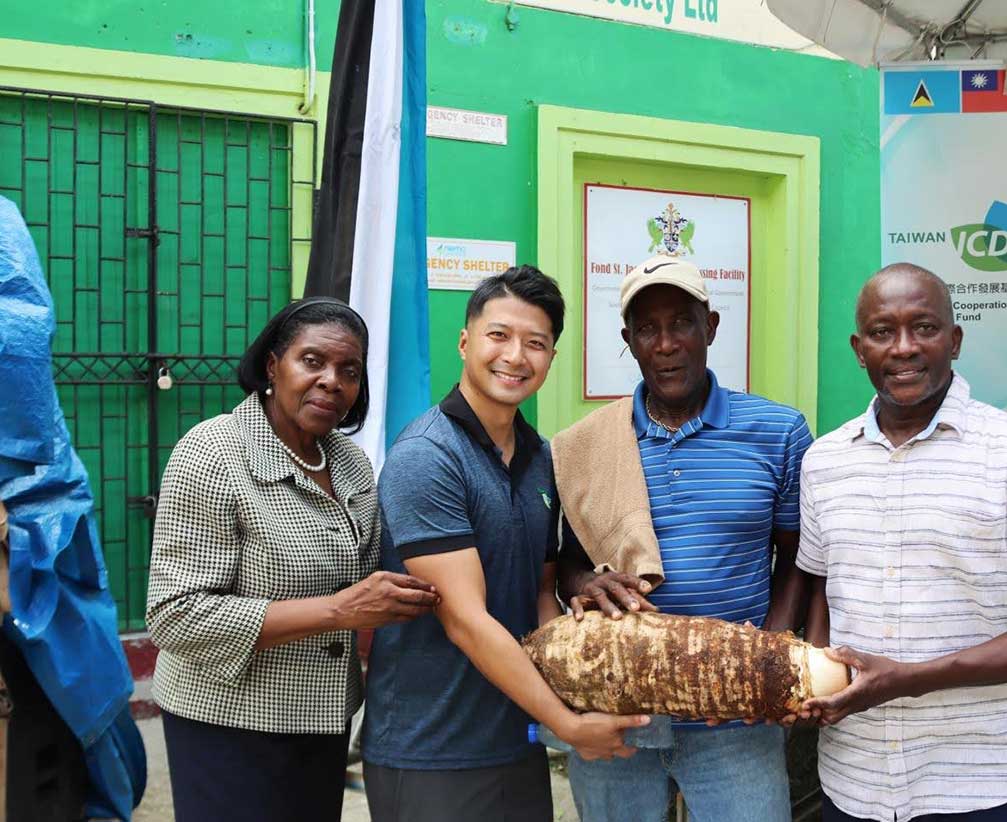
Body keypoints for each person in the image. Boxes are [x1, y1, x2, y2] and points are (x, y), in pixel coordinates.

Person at [795, 263, 1007, 822]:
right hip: (854, 780)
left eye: (924, 327)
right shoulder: (824, 461)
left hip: (978, 785)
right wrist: (811, 675)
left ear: (954, 341)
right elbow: (822, 589)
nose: (904, 347)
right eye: (883, 332)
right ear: (859, 350)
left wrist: (909, 681)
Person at [361, 266, 646, 822]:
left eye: (535, 343)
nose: (515, 356)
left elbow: (541, 594)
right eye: (499, 335)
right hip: (430, 750)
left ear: (551, 358)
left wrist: (574, 690)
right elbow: (464, 619)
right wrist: (568, 726)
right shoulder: (427, 456)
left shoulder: (540, 457)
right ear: (465, 342)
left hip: (517, 738)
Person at [146, 297, 440, 822]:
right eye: (312, 361)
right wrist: (338, 611)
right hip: (228, 723)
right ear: (272, 366)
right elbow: (175, 615)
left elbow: (371, 575)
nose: (332, 381)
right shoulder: (213, 453)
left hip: (323, 719)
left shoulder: (349, 462)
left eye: (349, 371)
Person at [557, 255, 814, 822]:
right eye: (647, 329)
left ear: (711, 327)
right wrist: (584, 585)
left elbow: (798, 557)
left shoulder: (778, 432)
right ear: (629, 341)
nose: (666, 344)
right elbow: (569, 564)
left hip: (735, 717)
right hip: (618, 705)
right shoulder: (589, 444)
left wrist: (765, 662)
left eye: (682, 323)